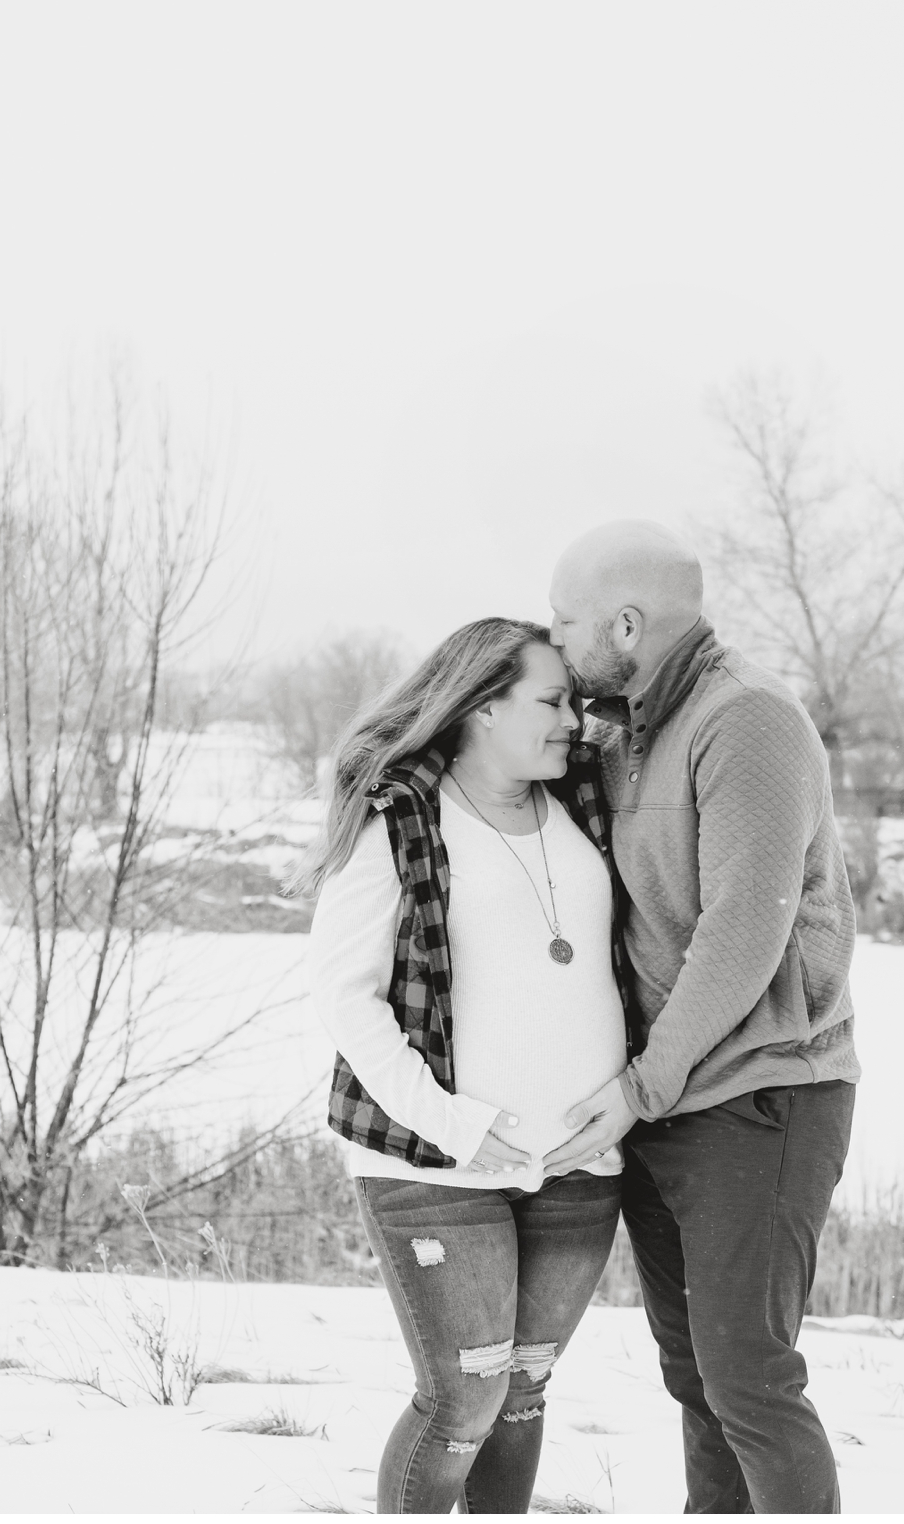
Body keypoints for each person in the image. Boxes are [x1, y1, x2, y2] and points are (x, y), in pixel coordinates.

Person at [539, 519, 861, 1514]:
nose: (555, 640)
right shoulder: (623, 729)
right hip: (669, 1099)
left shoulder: (746, 721)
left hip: (760, 1092)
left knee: (750, 1378)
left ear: (627, 624)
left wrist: (639, 1083)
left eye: (566, 620)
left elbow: (742, 936)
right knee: (698, 1379)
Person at [286, 616, 634, 1515]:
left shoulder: (586, 802)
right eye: (551, 701)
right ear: (483, 704)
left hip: (579, 1165)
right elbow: (344, 996)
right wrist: (456, 1127)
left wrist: (628, 1095)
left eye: (576, 701)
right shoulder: (402, 816)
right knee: (463, 1400)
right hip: (435, 1167)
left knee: (519, 1398)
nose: (574, 720)